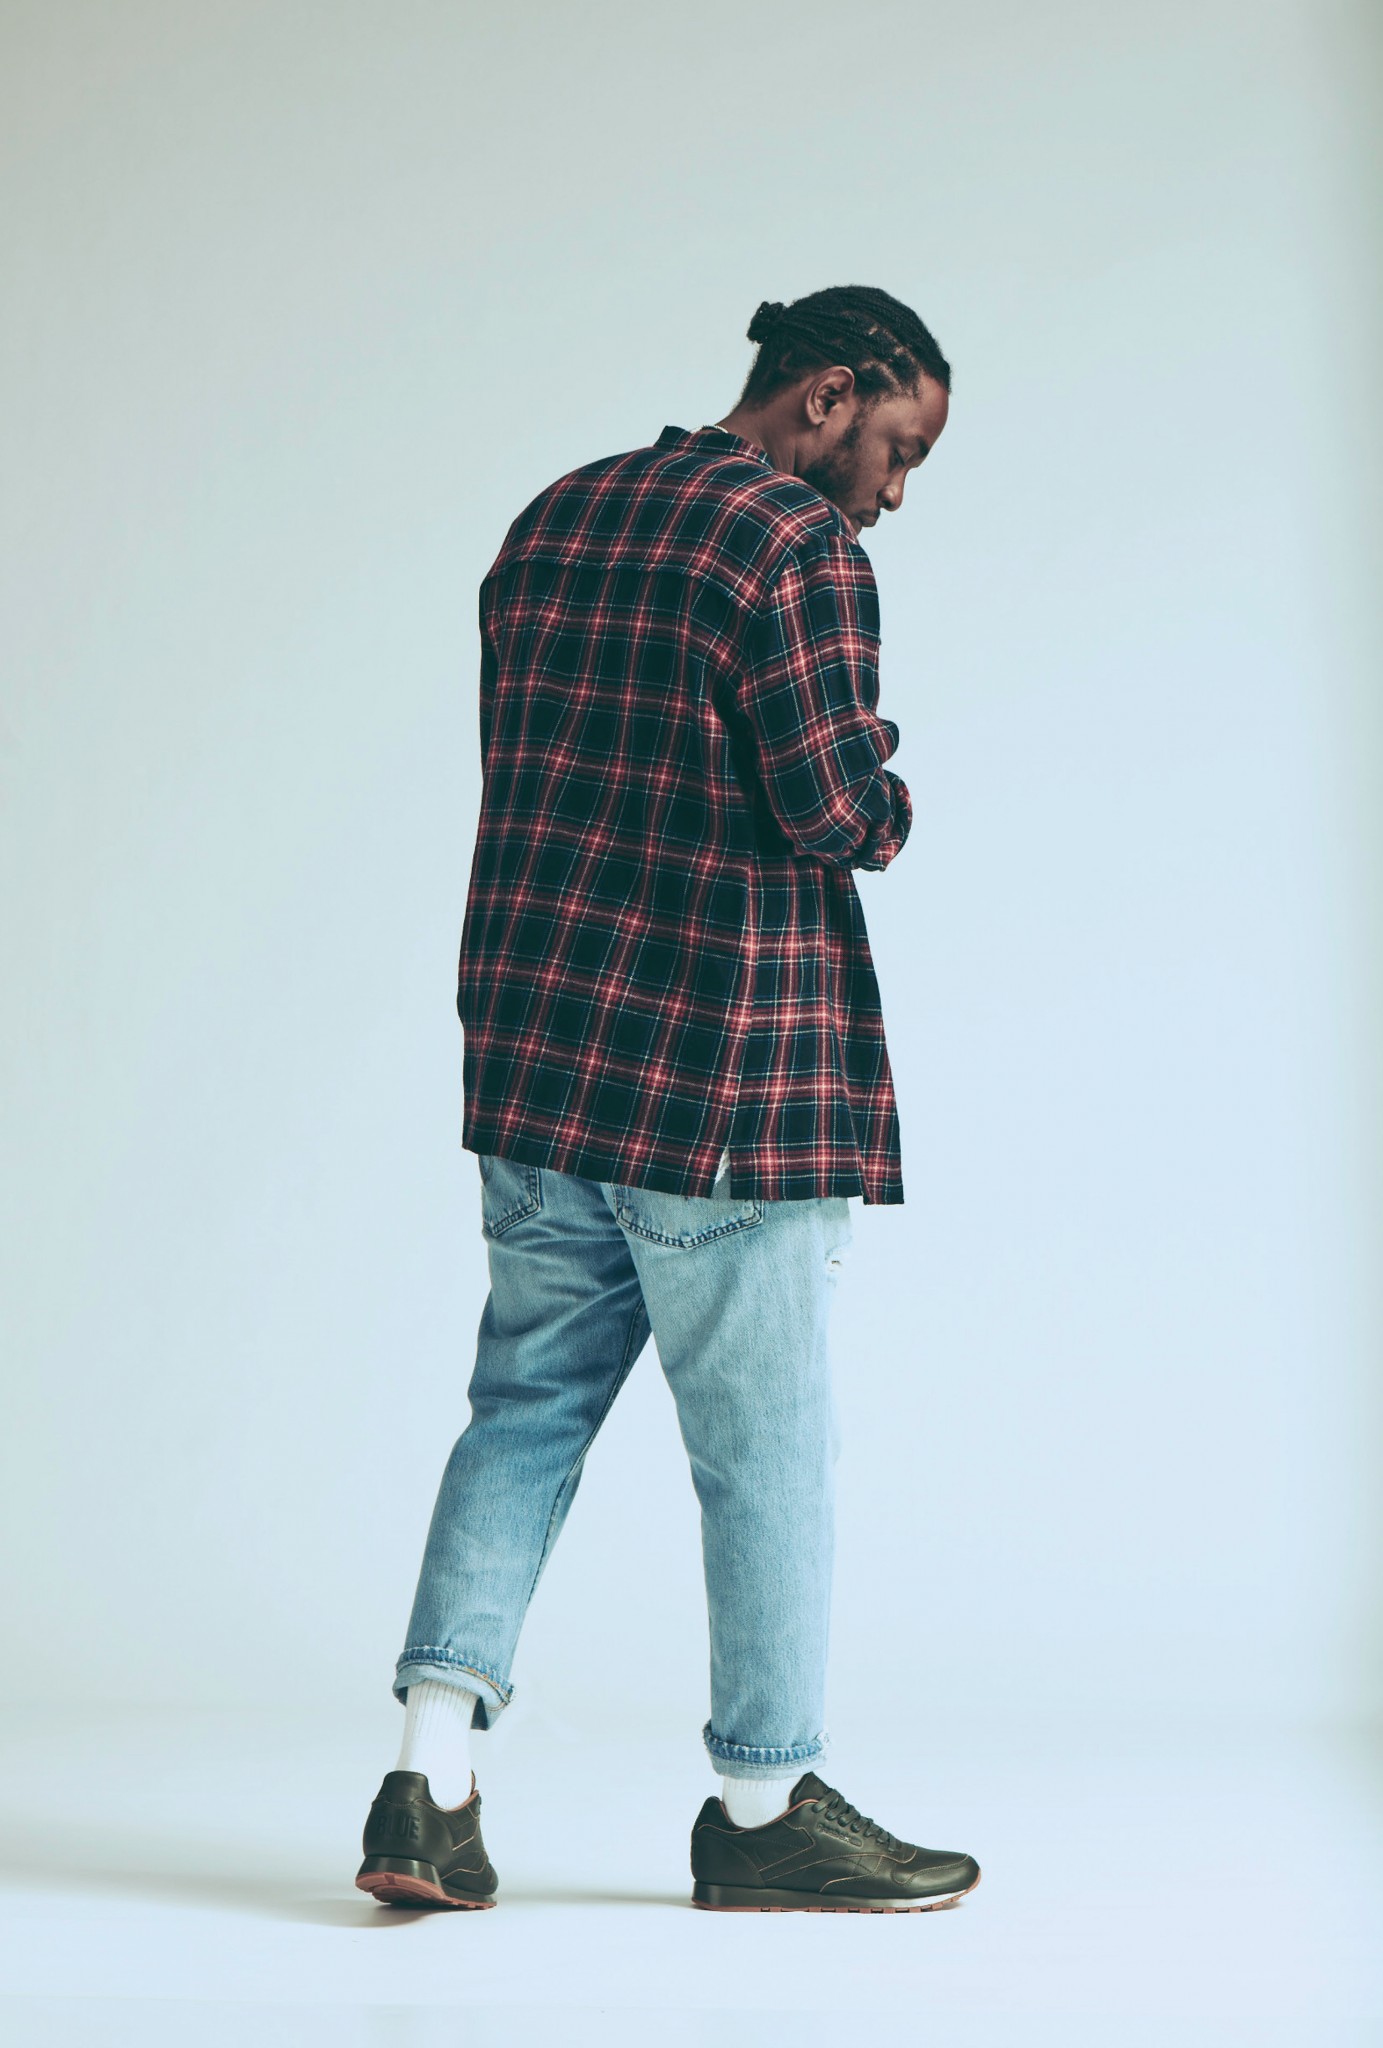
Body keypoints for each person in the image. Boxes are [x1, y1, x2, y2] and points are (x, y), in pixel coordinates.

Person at [355, 285, 981, 1913]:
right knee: (765, 1454)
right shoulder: (793, 547)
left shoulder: (553, 518)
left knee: (522, 1411)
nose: (893, 491)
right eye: (900, 448)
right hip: (720, 1079)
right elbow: (832, 804)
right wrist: (893, 791)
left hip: (537, 1062)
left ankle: (427, 1783)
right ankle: (764, 1808)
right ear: (826, 395)